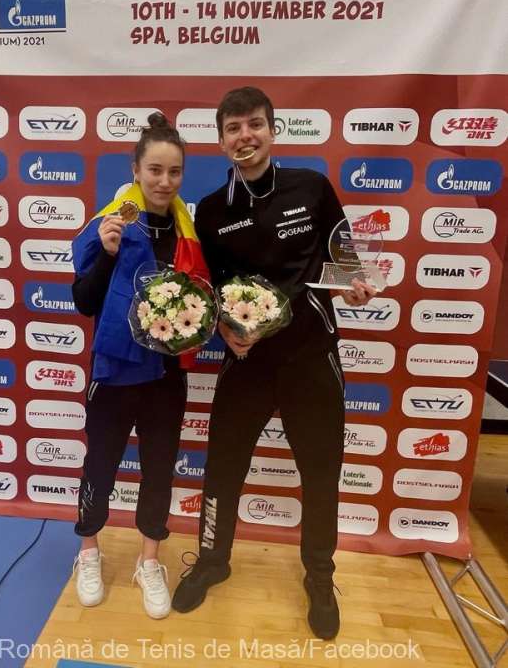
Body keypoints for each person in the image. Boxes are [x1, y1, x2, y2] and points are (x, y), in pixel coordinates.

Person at [171, 87, 377, 639]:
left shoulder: (312, 187)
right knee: (221, 470)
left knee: (321, 475)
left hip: (312, 357)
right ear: (221, 141)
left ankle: (320, 577)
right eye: (234, 128)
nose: (246, 136)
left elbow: (344, 262)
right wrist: (222, 328)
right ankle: (212, 560)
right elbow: (208, 290)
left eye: (255, 124)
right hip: (248, 363)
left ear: (272, 130)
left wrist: (355, 286)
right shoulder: (211, 211)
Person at [71, 113, 208, 619]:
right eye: (154, 170)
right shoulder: (110, 223)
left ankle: (149, 561)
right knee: (100, 466)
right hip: (114, 374)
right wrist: (107, 254)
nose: (164, 181)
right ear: (135, 169)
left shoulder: (188, 232)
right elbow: (84, 302)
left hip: (166, 377)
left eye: (174, 172)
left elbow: (201, 299)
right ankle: (88, 551)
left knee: (158, 471)